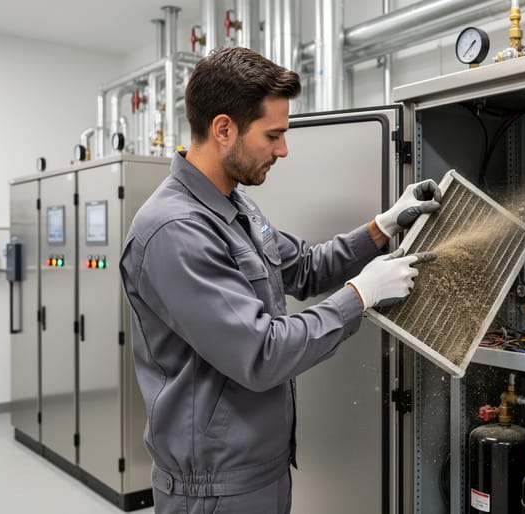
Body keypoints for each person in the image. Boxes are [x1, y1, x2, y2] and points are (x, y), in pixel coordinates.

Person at [119, 46, 441, 514]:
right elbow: (261, 353)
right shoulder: (175, 230)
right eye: (273, 135)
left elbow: (305, 267)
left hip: (262, 468)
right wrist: (360, 296)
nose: (283, 149)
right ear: (224, 128)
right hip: (213, 488)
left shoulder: (236, 206)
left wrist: (384, 226)